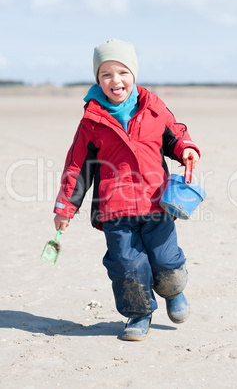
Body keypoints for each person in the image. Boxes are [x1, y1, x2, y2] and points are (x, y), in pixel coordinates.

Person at [54, 38, 200, 341]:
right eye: (106, 74)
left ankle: (174, 292)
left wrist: (185, 149)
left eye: (122, 72)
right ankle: (139, 313)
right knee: (126, 264)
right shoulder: (92, 121)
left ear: (134, 74)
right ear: (98, 79)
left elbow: (174, 135)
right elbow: (77, 168)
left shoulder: (153, 107)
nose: (115, 80)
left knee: (165, 259)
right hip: (115, 209)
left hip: (157, 204)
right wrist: (66, 208)